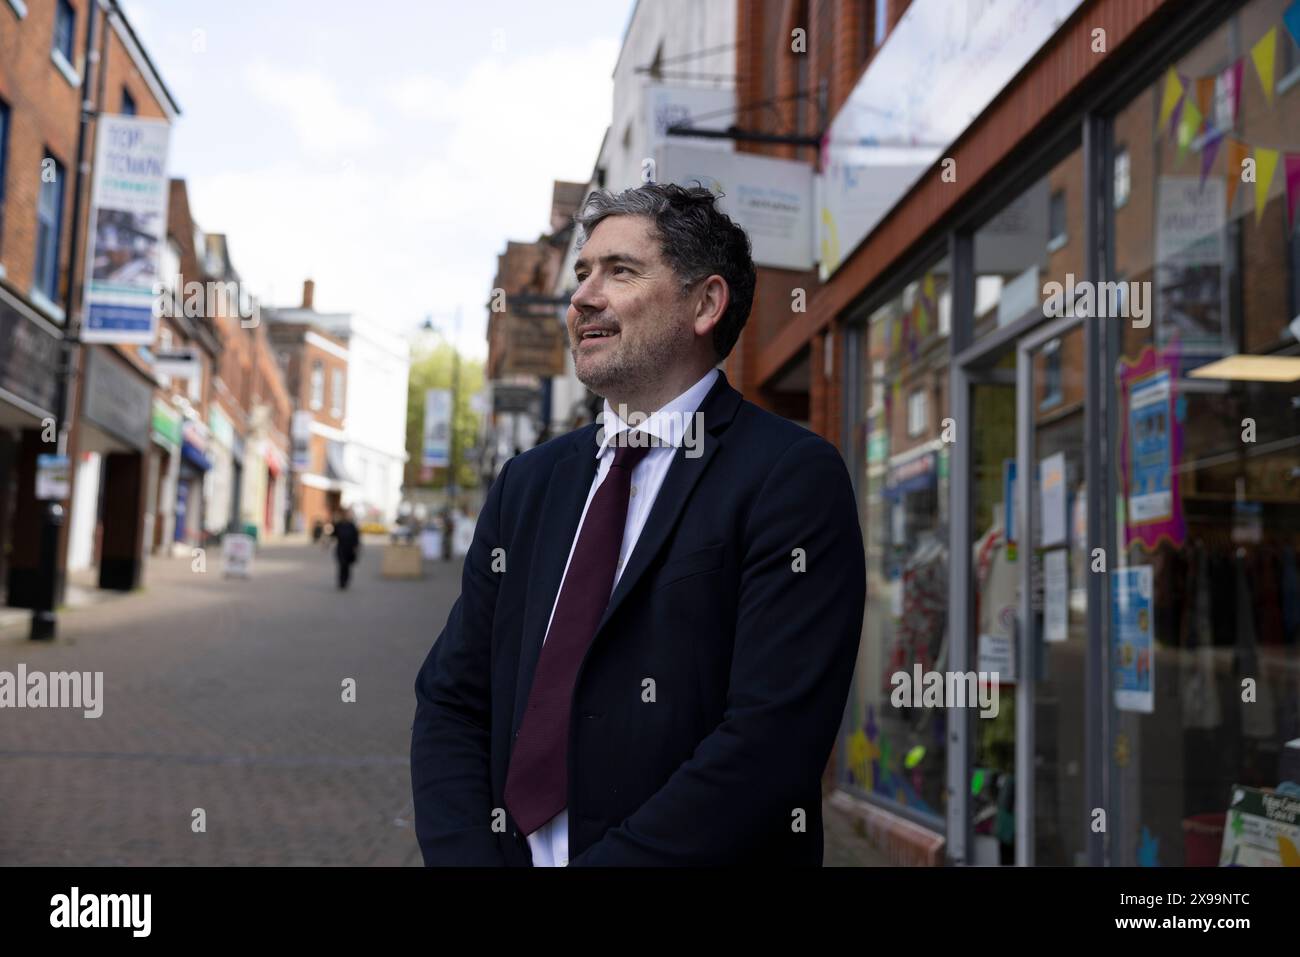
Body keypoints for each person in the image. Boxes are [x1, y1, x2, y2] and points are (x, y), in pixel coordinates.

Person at [411, 182, 865, 867]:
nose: (583, 297)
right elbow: (452, 698)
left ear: (705, 303)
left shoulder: (790, 477)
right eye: (582, 273)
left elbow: (770, 744)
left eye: (620, 271)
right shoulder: (526, 486)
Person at [330, 508, 360, 589]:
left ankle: (345, 580)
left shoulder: (352, 526)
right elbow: (333, 535)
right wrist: (333, 521)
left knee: (347, 566)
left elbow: (356, 537)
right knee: (341, 565)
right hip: (341, 548)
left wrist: (356, 547)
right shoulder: (338, 525)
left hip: (349, 549)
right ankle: (341, 581)